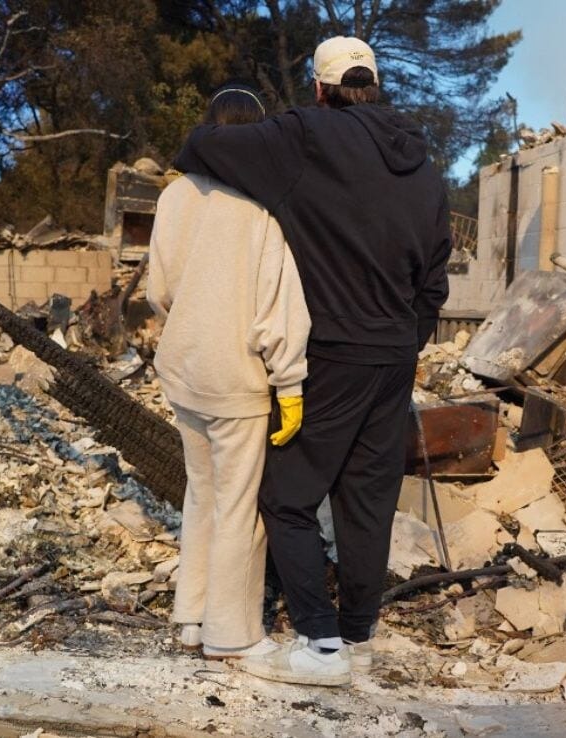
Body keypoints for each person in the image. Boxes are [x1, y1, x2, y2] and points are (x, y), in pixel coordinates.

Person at [173, 37, 452, 686]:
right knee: (367, 504)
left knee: (286, 497)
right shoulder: (425, 165)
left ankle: (320, 646)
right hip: (392, 361)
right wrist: (407, 339)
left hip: (328, 354)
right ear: (374, 86)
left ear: (321, 89)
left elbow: (201, 147)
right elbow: (435, 281)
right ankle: (357, 642)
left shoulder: (307, 134)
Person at [147, 83, 311, 660]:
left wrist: (188, 321)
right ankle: (230, 634)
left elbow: (157, 292)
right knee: (240, 506)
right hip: (238, 380)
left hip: (184, 370)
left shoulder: (172, 199)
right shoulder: (258, 206)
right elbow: (279, 308)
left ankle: (190, 616)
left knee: (201, 495)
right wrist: (289, 382)